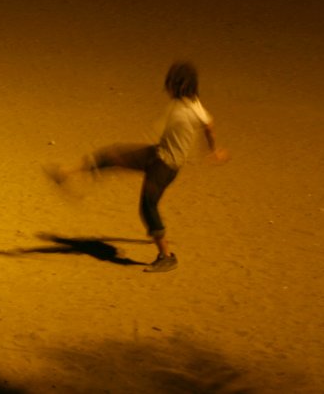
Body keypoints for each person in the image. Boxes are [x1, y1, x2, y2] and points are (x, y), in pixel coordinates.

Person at [50, 62, 229, 273]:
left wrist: (213, 151)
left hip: (166, 166)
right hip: (156, 154)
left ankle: (167, 256)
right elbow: (209, 125)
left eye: (170, 83)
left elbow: (209, 125)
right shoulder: (190, 103)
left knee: (147, 207)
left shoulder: (189, 109)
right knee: (113, 154)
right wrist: (213, 149)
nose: (167, 87)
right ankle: (66, 173)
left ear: (177, 85)